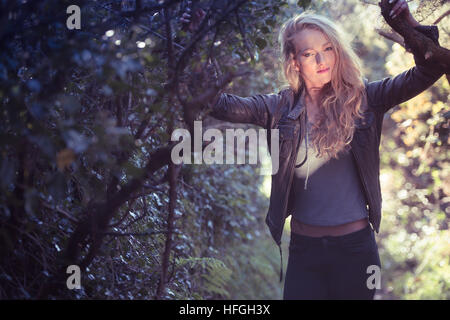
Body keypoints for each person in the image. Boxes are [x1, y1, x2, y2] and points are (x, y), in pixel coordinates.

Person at [182, 0, 445, 299]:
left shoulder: (367, 98)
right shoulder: (278, 108)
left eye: (328, 48)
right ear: (295, 62)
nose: (322, 59)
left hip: (357, 250)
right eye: (309, 53)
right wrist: (195, 43)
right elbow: (219, 104)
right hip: (304, 253)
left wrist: (408, 24)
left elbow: (428, 71)